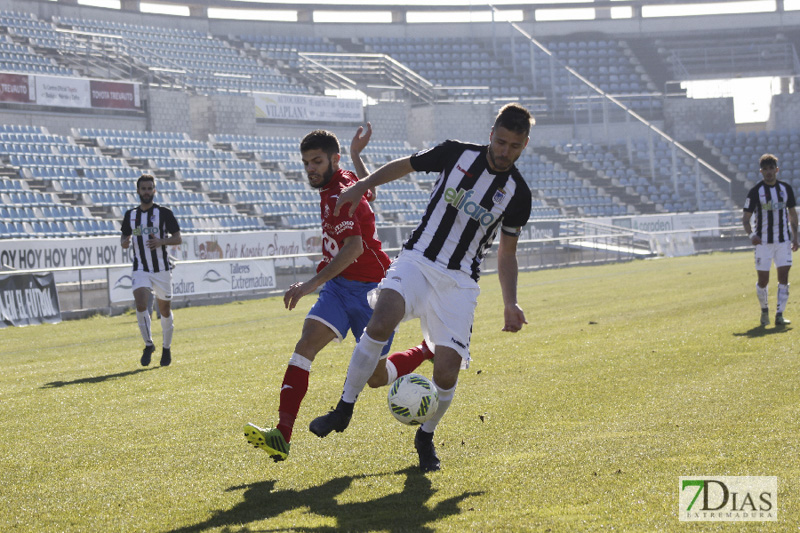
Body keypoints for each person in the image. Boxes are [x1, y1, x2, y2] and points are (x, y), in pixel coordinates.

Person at [309, 103, 534, 473]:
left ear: (524, 144)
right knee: (380, 322)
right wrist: (363, 185)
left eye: (513, 145)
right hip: (416, 260)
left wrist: (511, 302)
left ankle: (425, 436)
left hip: (459, 282)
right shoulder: (456, 153)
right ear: (491, 134)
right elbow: (405, 165)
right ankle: (343, 409)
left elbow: (507, 253)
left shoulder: (517, 195)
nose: (503, 151)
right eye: (499, 141)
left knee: (446, 372)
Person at [243, 125, 432, 462]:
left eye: (316, 161)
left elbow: (354, 248)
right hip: (339, 288)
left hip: (374, 292)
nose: (310, 169)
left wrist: (308, 285)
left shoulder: (337, 194)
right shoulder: (341, 179)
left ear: (333, 158)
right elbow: (369, 192)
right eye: (306, 163)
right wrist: (359, 156)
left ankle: (426, 349)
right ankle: (281, 435)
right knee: (305, 345)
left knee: (375, 377)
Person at [120, 174, 182, 366]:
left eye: (149, 189)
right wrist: (125, 242)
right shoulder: (131, 215)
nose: (146, 192)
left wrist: (162, 241)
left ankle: (166, 348)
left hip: (162, 268)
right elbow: (124, 238)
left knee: (164, 310)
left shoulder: (164, 213)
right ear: (138, 191)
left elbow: (178, 238)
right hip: (140, 267)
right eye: (143, 189)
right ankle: (148, 344)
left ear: (154, 191)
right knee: (140, 304)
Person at [743, 153, 799, 326]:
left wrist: (795, 237)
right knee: (763, 280)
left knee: (783, 277)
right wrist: (752, 235)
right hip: (763, 244)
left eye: (771, 168)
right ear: (761, 171)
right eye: (765, 169)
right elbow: (745, 218)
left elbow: (792, 215)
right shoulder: (755, 192)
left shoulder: (786, 189)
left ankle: (780, 315)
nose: (769, 172)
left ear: (777, 169)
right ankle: (765, 311)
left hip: (783, 242)